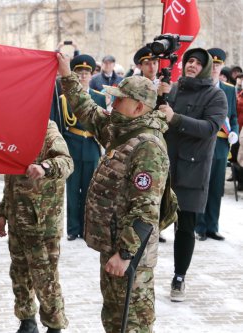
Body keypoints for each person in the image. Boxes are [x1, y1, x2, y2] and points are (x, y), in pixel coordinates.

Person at [58, 53, 170, 333]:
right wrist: (66, 76)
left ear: (139, 107)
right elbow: (87, 110)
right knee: (113, 318)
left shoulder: (147, 147)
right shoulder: (122, 129)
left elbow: (146, 210)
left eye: (120, 99)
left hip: (131, 257)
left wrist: (125, 254)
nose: (113, 102)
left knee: (131, 323)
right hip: (114, 248)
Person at [158, 48, 227, 302]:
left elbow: (210, 128)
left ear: (206, 68)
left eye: (198, 63)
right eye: (189, 61)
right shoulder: (173, 89)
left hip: (192, 170)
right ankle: (139, 272)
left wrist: (175, 117)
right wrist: (158, 96)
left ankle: (179, 277)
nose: (192, 65)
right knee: (147, 222)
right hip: (163, 167)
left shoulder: (216, 95)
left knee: (184, 227)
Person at [0, 120, 74, 333]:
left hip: (42, 225)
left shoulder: (46, 129)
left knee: (45, 278)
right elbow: (10, 180)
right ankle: (27, 321)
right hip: (17, 223)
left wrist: (45, 167)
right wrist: (3, 213)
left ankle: (54, 325)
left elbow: (67, 162)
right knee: (19, 275)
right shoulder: (14, 131)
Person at [50, 54, 106, 241]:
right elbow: (59, 123)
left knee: (90, 188)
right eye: (79, 73)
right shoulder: (64, 99)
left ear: (92, 75)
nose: (82, 77)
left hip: (91, 144)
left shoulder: (99, 97)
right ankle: (73, 229)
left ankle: (86, 228)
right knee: (73, 189)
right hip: (72, 143)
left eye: (86, 73)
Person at [195, 48, 239, 241]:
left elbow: (233, 117)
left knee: (216, 188)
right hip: (202, 143)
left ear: (222, 67)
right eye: (211, 65)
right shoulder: (199, 86)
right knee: (201, 185)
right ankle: (200, 227)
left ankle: (213, 226)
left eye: (218, 65)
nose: (214, 69)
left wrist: (235, 132)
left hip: (221, 144)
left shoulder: (229, 89)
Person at [133, 45, 168, 243]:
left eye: (155, 62)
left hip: (158, 139)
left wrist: (165, 95)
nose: (152, 66)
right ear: (141, 65)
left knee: (158, 186)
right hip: (139, 139)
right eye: (148, 63)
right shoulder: (134, 84)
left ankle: (157, 226)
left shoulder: (165, 84)